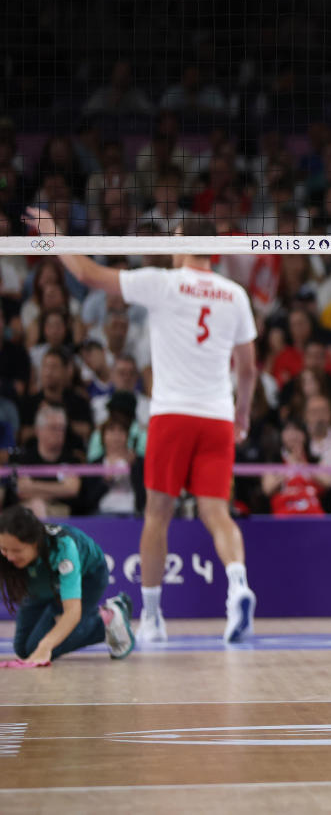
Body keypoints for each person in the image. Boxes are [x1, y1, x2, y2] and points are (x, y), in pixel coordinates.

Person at [26, 207, 259, 645]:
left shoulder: (163, 283)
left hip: (172, 415)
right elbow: (247, 369)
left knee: (157, 515)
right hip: (217, 417)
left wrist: (53, 234)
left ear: (184, 244)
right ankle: (238, 585)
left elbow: (89, 274)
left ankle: (152, 618)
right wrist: (242, 412)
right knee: (216, 512)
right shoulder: (235, 295)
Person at [0, 505, 134, 663]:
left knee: (38, 647)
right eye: (4, 549)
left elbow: (72, 612)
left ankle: (107, 618)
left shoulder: (63, 549)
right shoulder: (8, 550)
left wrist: (46, 645)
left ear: (35, 543)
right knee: (23, 650)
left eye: (17, 551)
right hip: (40, 584)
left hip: (87, 578)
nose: (9, 557)